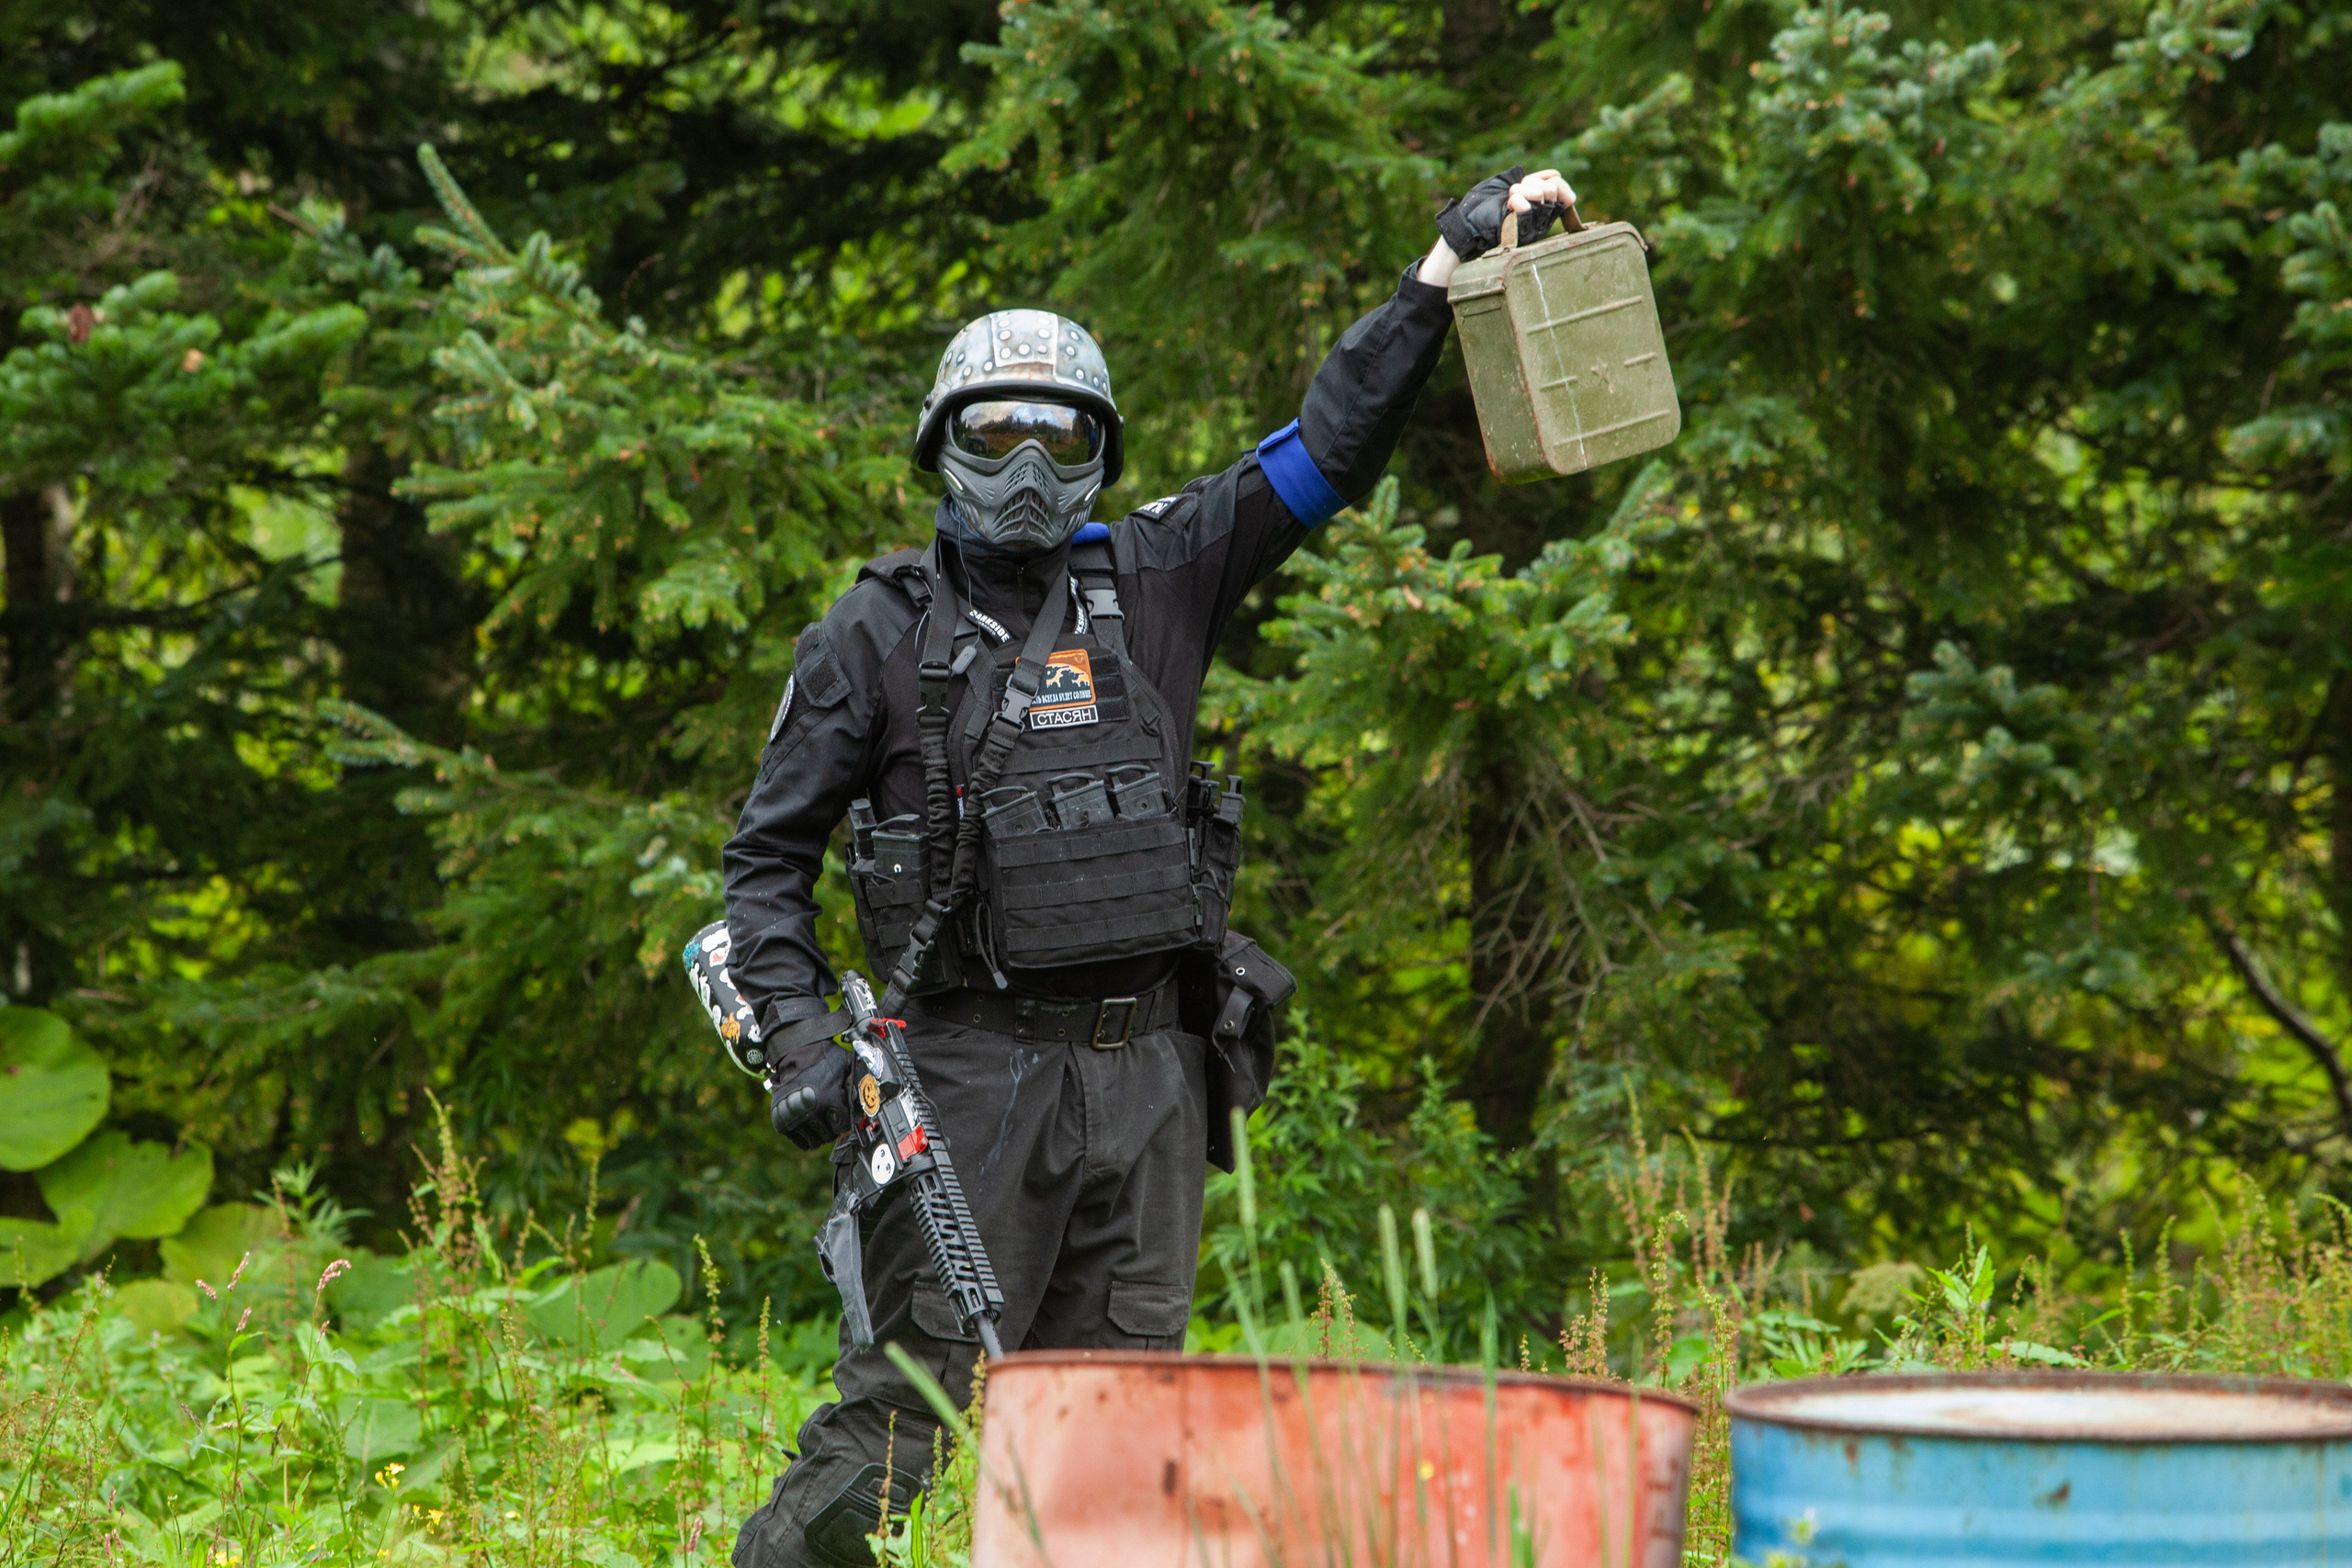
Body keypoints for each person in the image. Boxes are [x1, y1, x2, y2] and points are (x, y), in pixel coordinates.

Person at [725, 166, 1577, 1568]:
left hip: (1148, 1084)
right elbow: (765, 868)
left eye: (1058, 437)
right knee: (901, 1424)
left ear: (1099, 452)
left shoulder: (1161, 576)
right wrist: (806, 1043)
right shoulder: (869, 637)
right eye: (994, 431)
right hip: (961, 1079)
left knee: (1116, 1443)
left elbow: (1322, 451)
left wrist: (1442, 267)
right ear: (944, 442)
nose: (1025, 465)